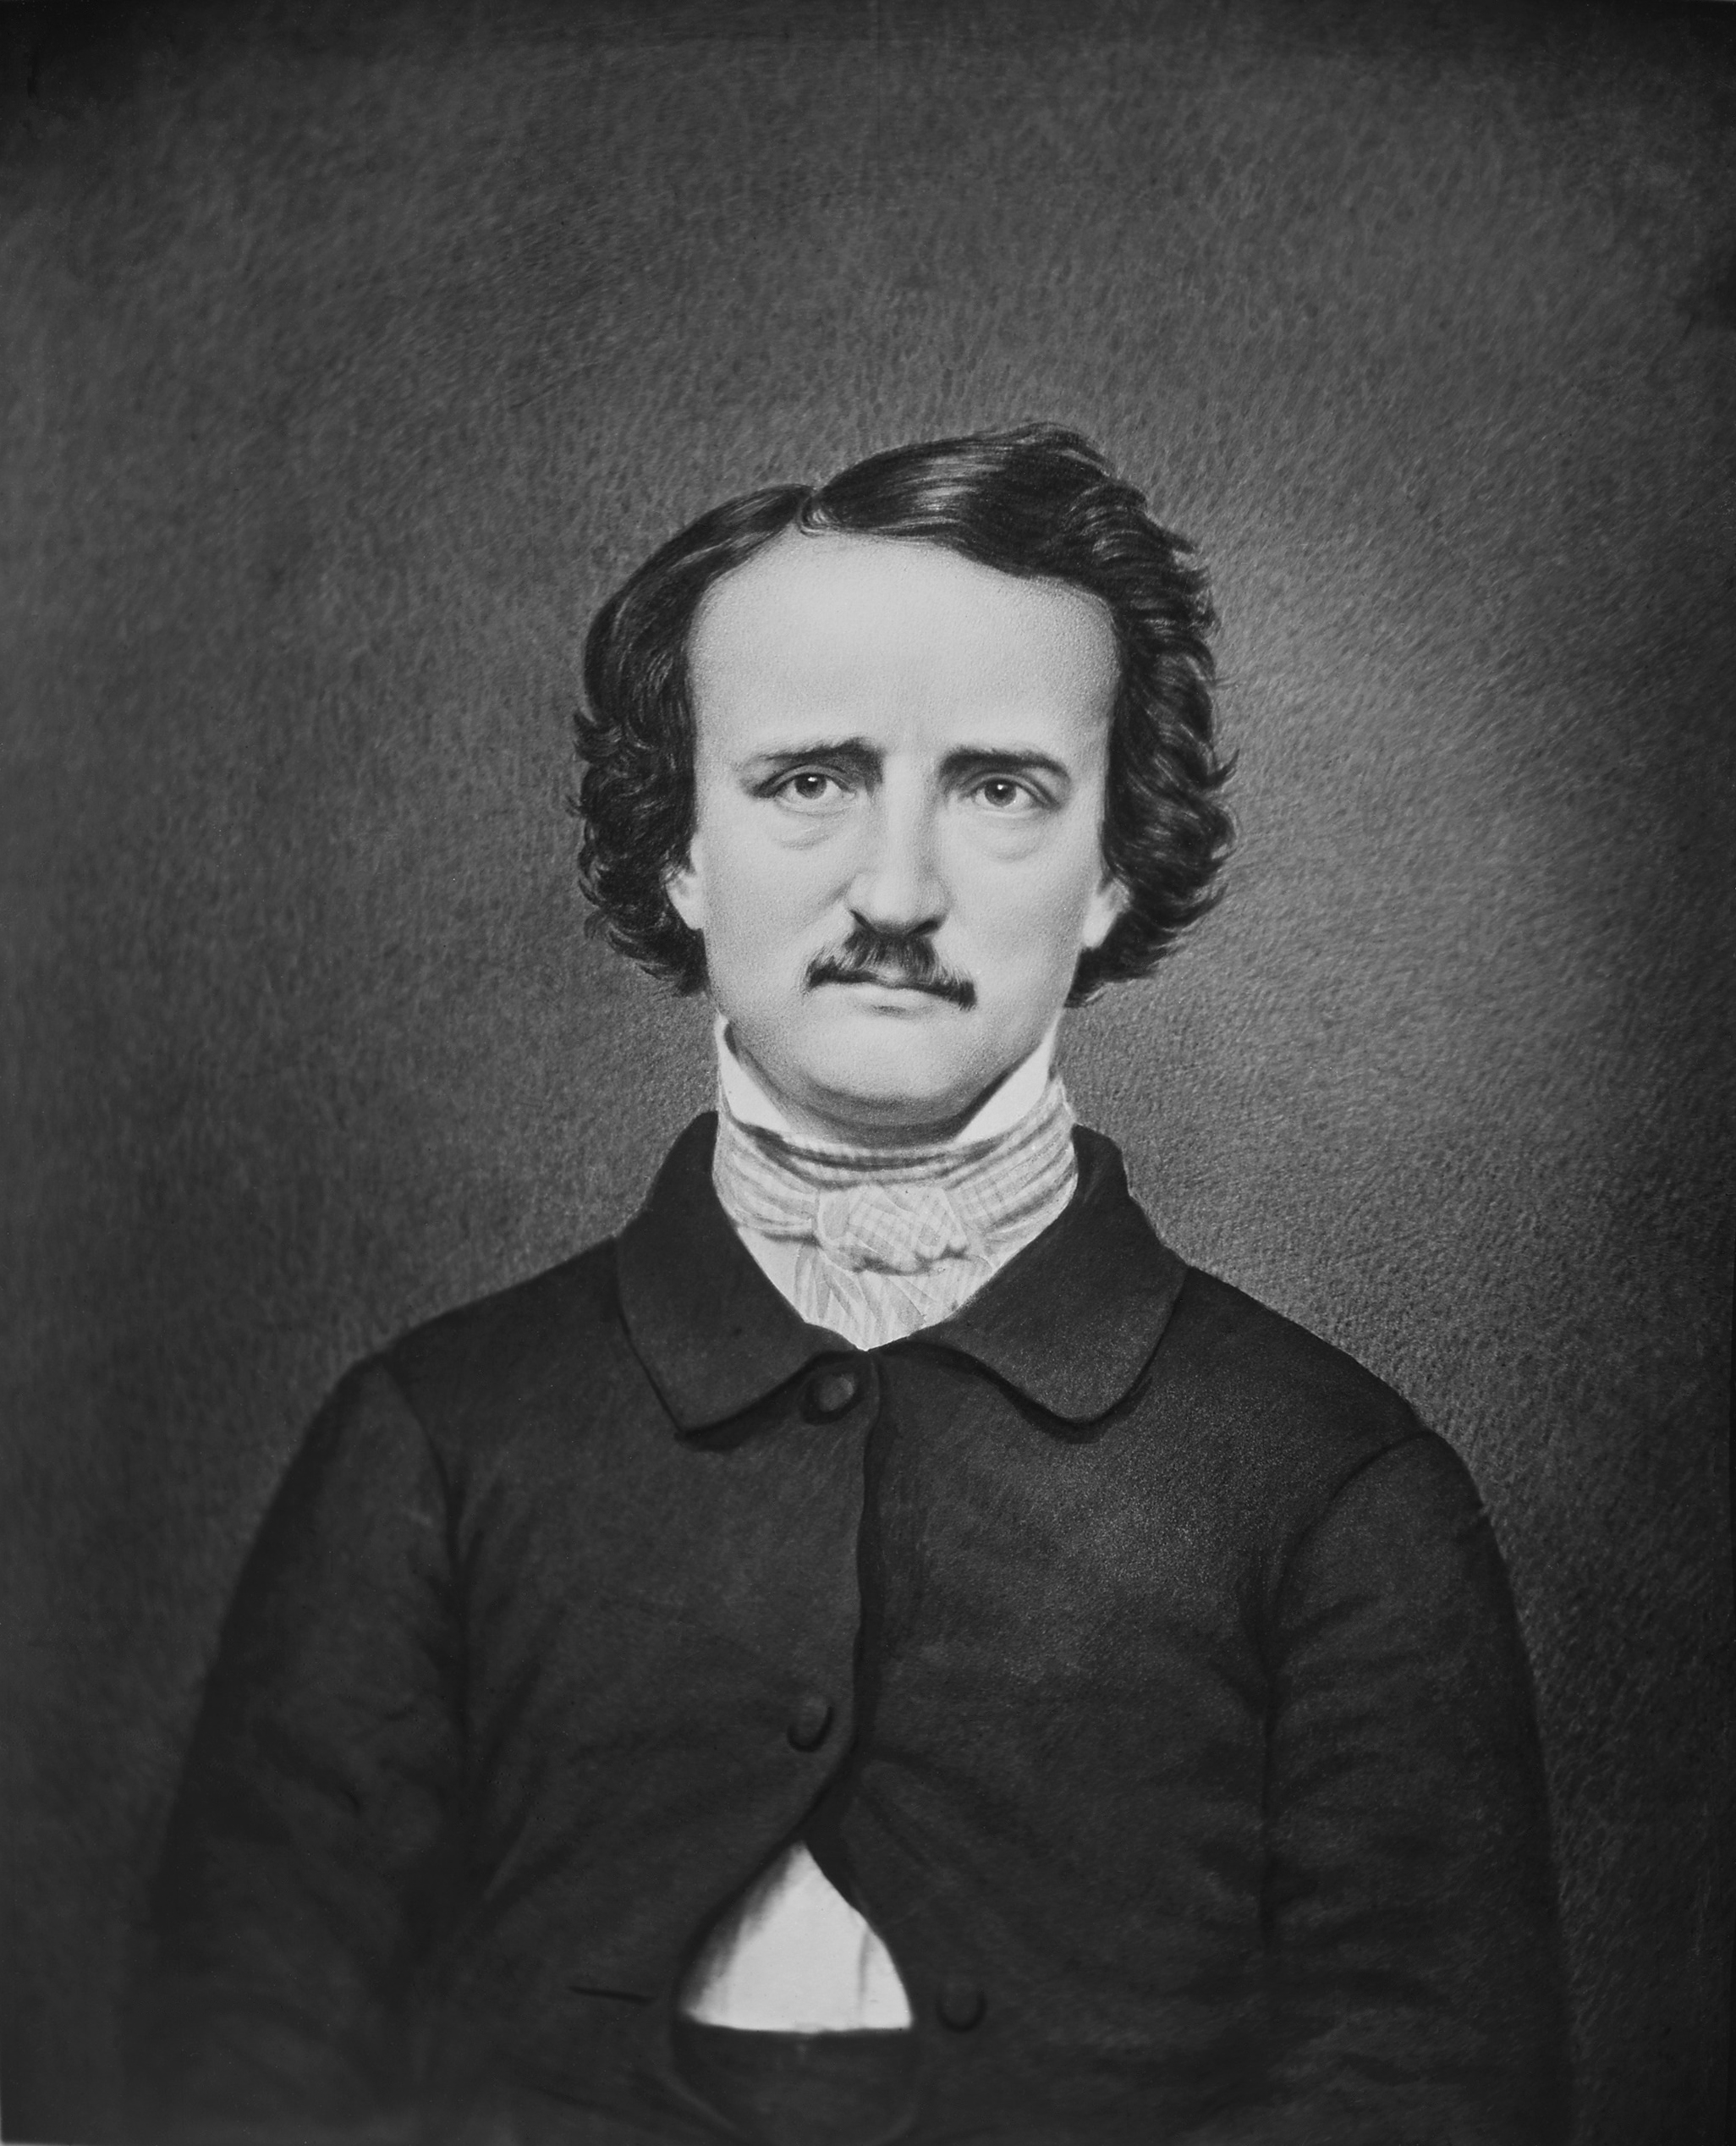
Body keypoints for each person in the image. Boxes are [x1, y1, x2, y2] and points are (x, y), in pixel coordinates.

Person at [129, 426, 1568, 2146]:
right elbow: (244, 2059)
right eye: (809, 780)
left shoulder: (1336, 1487)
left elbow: (1427, 2081)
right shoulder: (433, 1440)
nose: (896, 891)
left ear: (1114, 867)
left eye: (1001, 789)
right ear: (681, 847)